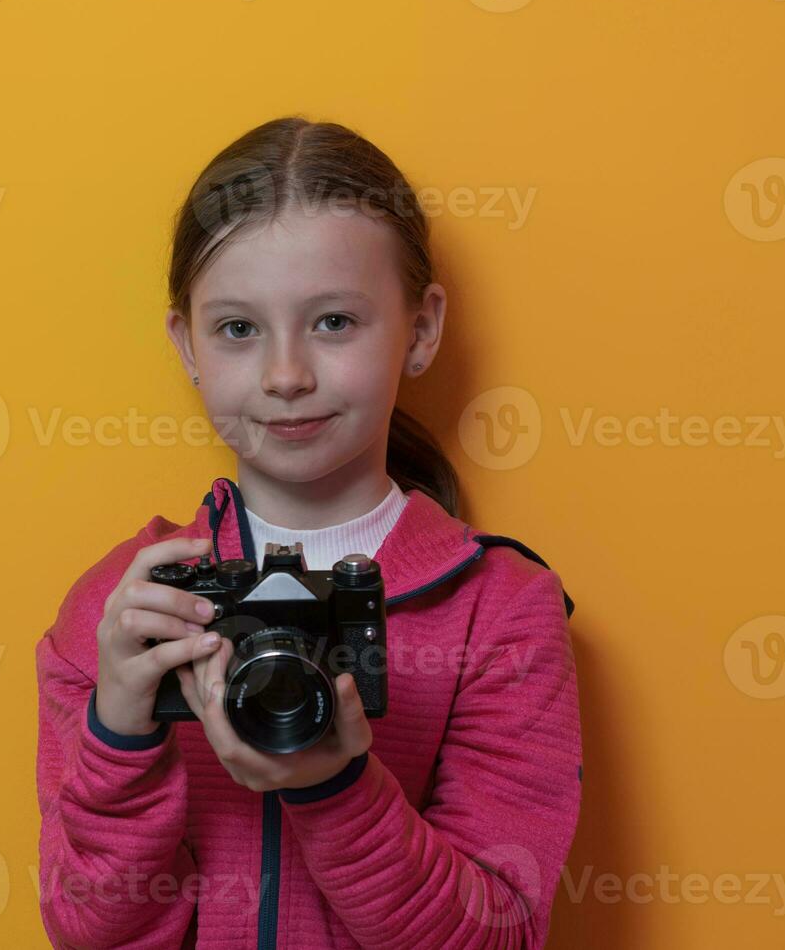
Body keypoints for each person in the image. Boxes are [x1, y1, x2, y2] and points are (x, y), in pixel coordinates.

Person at [35, 116, 581, 949]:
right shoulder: (130, 609)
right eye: (239, 329)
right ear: (186, 343)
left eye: (333, 322)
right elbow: (94, 934)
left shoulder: (500, 613)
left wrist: (335, 787)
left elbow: (496, 936)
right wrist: (120, 732)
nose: (287, 376)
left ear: (423, 327)